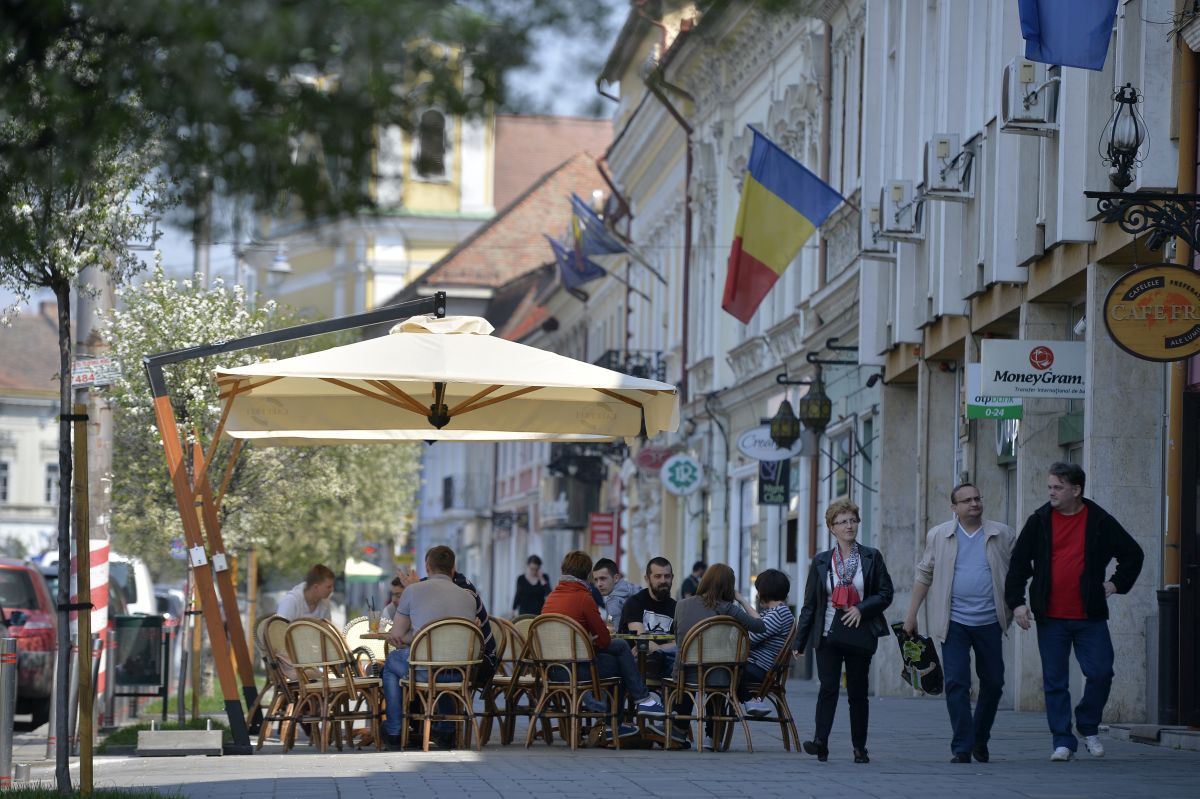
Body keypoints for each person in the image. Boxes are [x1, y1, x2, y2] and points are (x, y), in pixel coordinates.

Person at [1005, 462, 1144, 762]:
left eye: (1057, 487)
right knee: (1055, 680)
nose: (1051, 493)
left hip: (1089, 615)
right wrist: (1016, 603)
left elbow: (1133, 554)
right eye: (1049, 487)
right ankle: (1062, 740)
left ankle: (1087, 724)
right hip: (1051, 616)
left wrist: (1115, 584)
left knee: (1101, 671)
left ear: (1076, 490)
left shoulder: (1099, 520)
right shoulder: (1039, 520)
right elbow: (1018, 565)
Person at [903, 482, 1016, 763]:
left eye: (977, 498)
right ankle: (963, 747)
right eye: (966, 501)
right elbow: (924, 574)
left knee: (994, 683)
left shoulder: (1001, 533)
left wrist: (1020, 606)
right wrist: (911, 613)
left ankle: (980, 737)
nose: (974, 504)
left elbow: (1016, 575)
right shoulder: (940, 535)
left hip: (990, 620)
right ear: (954, 508)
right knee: (957, 683)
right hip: (953, 622)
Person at [794, 498, 893, 764]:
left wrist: (862, 608)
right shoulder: (822, 561)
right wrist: (799, 641)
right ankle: (820, 742)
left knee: (858, 693)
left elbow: (886, 593)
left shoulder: (871, 556)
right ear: (831, 528)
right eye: (842, 521)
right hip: (827, 634)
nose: (849, 526)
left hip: (859, 633)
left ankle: (860, 747)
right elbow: (810, 604)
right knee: (828, 688)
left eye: (852, 520)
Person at [541, 550, 665, 741]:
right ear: (587, 574)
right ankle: (626, 714)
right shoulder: (583, 597)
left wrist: (586, 641)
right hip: (577, 668)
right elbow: (605, 640)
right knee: (623, 660)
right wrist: (590, 640)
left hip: (552, 669)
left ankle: (614, 723)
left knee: (620, 655)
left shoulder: (550, 597)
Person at [652, 563, 766, 749]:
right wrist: (742, 600)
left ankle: (678, 731)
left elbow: (679, 639)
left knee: (690, 674)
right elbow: (760, 626)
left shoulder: (681, 605)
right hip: (719, 675)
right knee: (719, 672)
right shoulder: (728, 608)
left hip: (686, 673)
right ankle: (712, 737)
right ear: (729, 586)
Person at [381, 546, 478, 750]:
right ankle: (445, 729)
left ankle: (394, 730)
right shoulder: (469, 596)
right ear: (453, 569)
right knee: (440, 663)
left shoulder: (412, 591)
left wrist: (417, 636)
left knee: (391, 663)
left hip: (424, 672)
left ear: (427, 567)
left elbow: (397, 635)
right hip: (460, 673)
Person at [741, 568, 796, 717]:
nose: (758, 595)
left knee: (721, 670)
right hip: (760, 668)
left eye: (758, 591)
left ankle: (749, 700)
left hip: (758, 669)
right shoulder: (779, 612)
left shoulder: (778, 614)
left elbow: (749, 640)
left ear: (764, 592)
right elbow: (758, 621)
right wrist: (741, 600)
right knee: (722, 670)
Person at [592, 558, 638, 626]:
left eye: (603, 578)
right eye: (596, 580)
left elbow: (615, 633)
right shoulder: (634, 589)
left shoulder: (613, 601)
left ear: (616, 578)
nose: (599, 584)